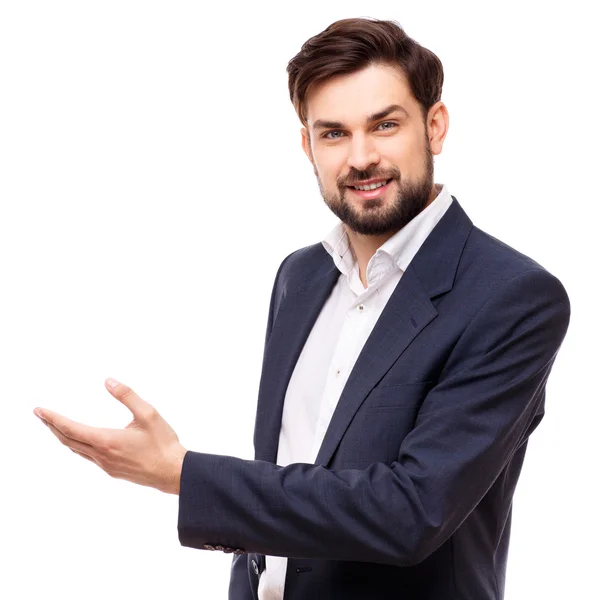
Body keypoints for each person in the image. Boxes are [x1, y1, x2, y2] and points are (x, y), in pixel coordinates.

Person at [34, 17, 571, 600]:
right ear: (307, 145)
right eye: (333, 134)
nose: (361, 158)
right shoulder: (301, 275)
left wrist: (183, 474)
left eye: (385, 125)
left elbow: (411, 512)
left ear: (435, 127)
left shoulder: (512, 296)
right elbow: (290, 466)